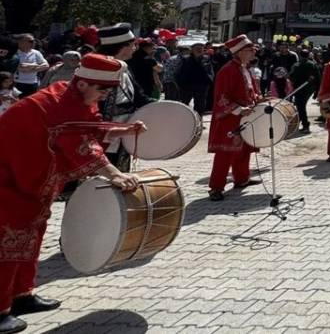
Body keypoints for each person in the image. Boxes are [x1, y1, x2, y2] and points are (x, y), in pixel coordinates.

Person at [0, 54, 144, 333]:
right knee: (8, 243)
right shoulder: (59, 105)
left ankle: (21, 295)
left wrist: (123, 129)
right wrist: (116, 175)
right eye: (102, 90)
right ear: (82, 84)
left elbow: (87, 130)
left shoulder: (74, 100)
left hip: (29, 182)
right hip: (9, 181)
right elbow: (81, 146)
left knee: (31, 237)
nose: (104, 97)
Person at [206, 35, 262, 201]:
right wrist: (238, 110)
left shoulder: (245, 68)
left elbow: (250, 92)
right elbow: (222, 98)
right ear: (239, 52)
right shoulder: (228, 70)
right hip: (231, 118)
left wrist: (258, 99)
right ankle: (216, 187)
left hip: (245, 117)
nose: (253, 52)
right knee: (225, 154)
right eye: (249, 50)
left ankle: (241, 179)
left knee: (245, 150)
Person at [95, 24, 150, 172]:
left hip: (124, 130)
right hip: (103, 133)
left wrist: (163, 107)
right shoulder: (99, 69)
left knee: (121, 173)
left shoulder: (125, 67)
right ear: (123, 46)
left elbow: (139, 97)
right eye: (133, 44)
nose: (135, 48)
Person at [176, 42, 214, 115]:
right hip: (187, 86)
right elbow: (180, 72)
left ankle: (198, 122)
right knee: (184, 105)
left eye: (201, 48)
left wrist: (209, 81)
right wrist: (181, 83)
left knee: (200, 106)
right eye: (197, 48)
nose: (199, 50)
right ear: (192, 50)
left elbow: (210, 72)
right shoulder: (185, 59)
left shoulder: (207, 59)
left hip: (201, 86)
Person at [289, 49, 319, 134]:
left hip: (300, 89)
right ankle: (301, 123)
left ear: (300, 55)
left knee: (301, 107)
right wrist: (317, 90)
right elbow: (318, 77)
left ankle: (305, 125)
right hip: (309, 89)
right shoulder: (313, 64)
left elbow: (291, 76)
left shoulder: (296, 65)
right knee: (301, 107)